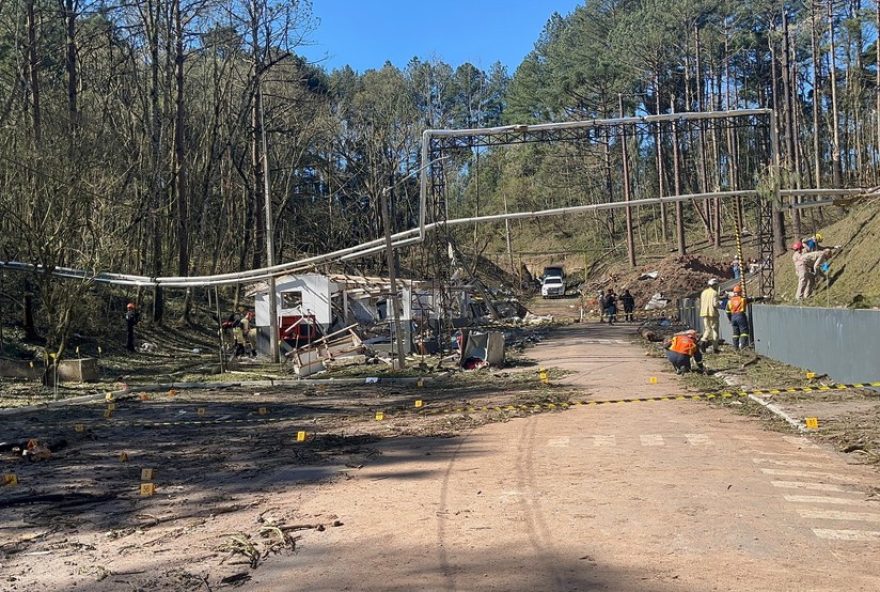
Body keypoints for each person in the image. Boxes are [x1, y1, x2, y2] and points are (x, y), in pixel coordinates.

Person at [726, 284, 754, 350]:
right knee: (744, 332)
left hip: (733, 317)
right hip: (740, 316)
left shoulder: (729, 301)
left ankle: (736, 348)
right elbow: (751, 299)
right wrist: (763, 297)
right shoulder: (742, 300)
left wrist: (730, 319)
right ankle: (743, 347)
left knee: (735, 333)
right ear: (740, 292)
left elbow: (727, 312)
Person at [699, 278, 721, 353]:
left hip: (704, 313)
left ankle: (702, 341)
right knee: (715, 330)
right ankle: (715, 348)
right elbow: (715, 304)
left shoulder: (703, 292)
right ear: (714, 285)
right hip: (713, 313)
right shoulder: (715, 293)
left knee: (707, 329)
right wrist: (719, 303)